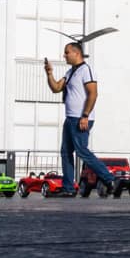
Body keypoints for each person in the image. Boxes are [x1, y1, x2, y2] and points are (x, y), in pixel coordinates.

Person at [43, 40, 119, 198]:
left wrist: (85, 116)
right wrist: (49, 73)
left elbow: (93, 93)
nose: (64, 55)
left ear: (76, 53)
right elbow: (56, 88)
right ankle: (69, 187)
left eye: (67, 52)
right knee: (66, 152)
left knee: (82, 151)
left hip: (81, 118)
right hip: (70, 118)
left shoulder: (86, 70)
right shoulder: (70, 73)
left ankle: (110, 179)